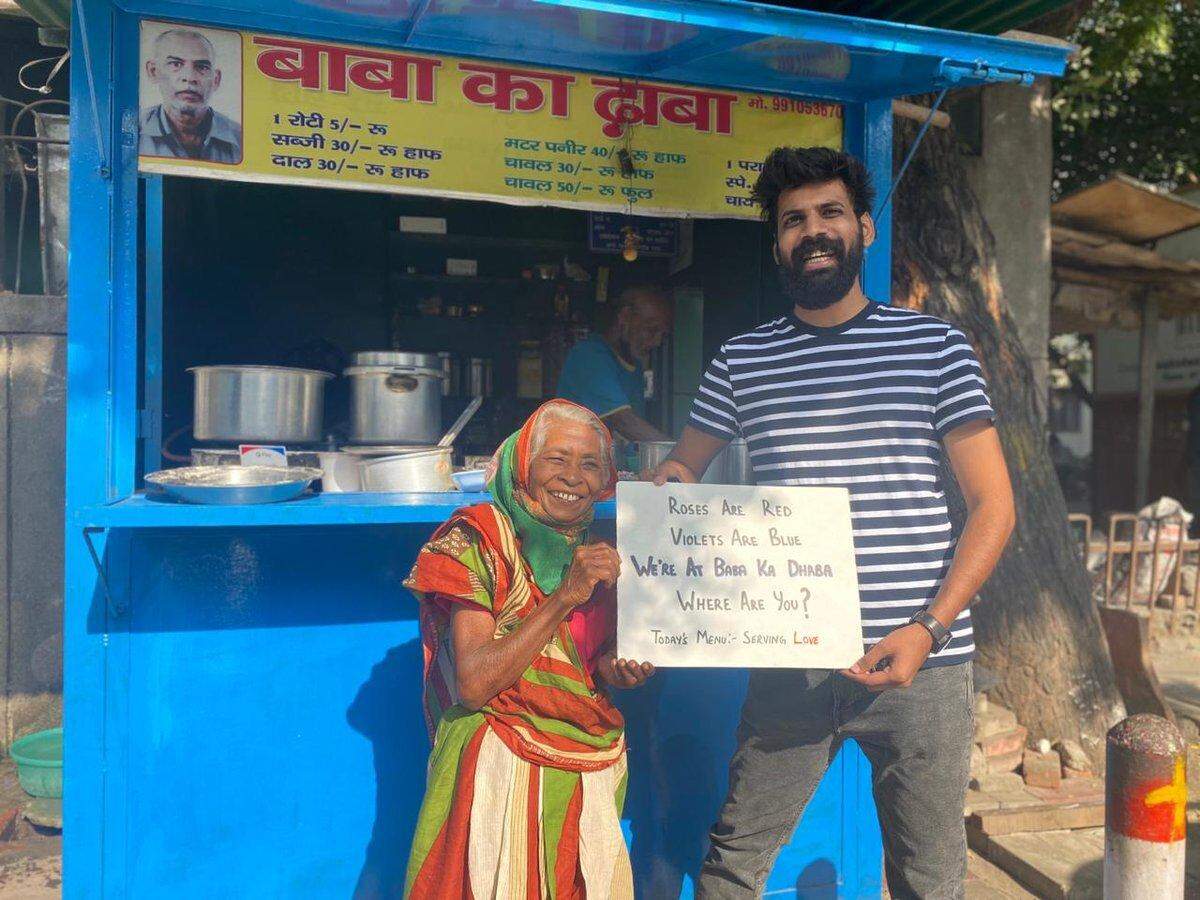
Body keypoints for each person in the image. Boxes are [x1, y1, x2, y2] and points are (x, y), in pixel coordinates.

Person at [648, 146, 1016, 899]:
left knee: (929, 879)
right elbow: (684, 468)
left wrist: (929, 628)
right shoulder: (741, 361)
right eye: (793, 220)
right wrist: (658, 506)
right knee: (733, 865)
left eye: (830, 213)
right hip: (793, 660)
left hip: (925, 663)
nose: (812, 231)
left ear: (864, 229)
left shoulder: (937, 348)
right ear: (777, 242)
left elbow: (994, 507)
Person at [403, 399, 655, 899]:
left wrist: (616, 667)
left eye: (590, 464)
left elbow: (584, 662)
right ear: (524, 465)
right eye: (556, 459)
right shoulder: (480, 540)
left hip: (585, 771)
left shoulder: (600, 551)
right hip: (499, 769)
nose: (573, 478)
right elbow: (474, 684)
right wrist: (565, 597)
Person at [556, 283, 674, 459]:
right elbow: (622, 421)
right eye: (651, 330)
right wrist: (679, 455)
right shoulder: (590, 355)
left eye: (662, 335)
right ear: (625, 317)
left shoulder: (634, 366)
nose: (657, 341)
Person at [140, 28, 242, 163]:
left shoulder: (241, 139)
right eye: (176, 64)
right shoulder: (133, 132)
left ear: (216, 79)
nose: (189, 77)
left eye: (202, 67)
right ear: (153, 71)